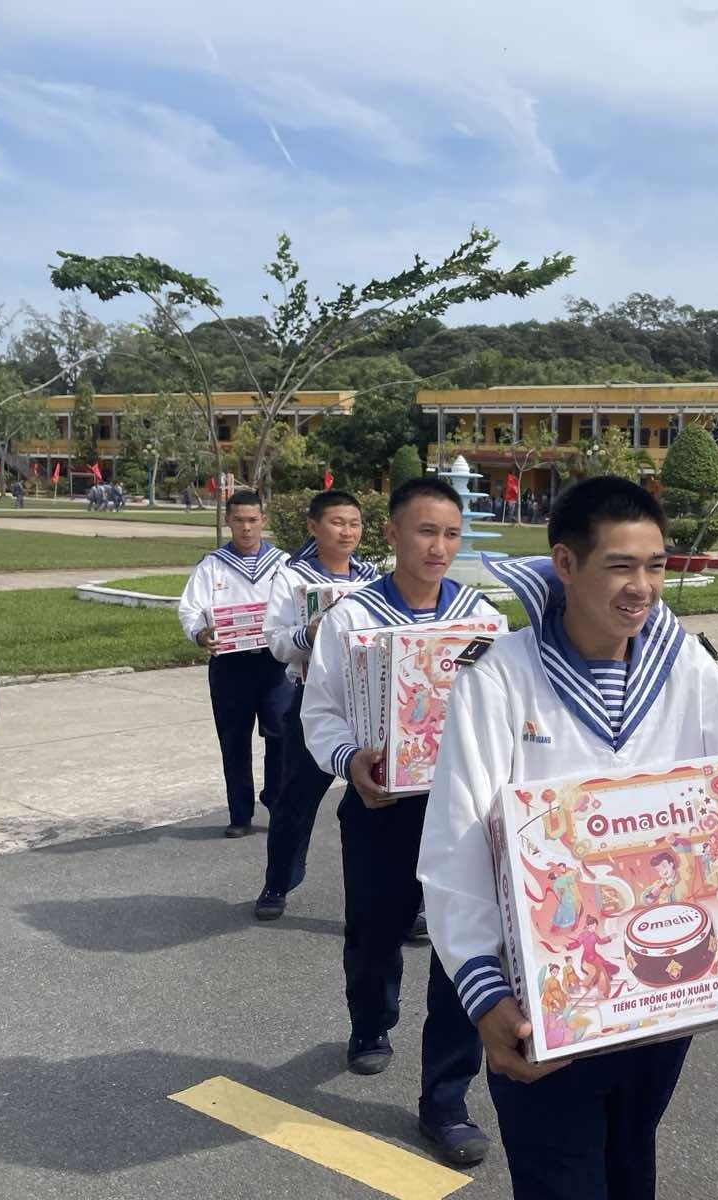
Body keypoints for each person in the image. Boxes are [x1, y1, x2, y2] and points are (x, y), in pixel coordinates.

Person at [419, 475, 718, 1200]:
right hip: (546, 1003)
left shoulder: (690, 672)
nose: (641, 587)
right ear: (565, 566)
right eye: (620, 566)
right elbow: (455, 848)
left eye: (656, 566)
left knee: (631, 1162)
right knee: (559, 1178)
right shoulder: (502, 678)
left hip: (663, 1001)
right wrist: (483, 996)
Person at [302, 477, 503, 1167]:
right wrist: (349, 757)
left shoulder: (484, 621)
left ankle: (446, 1100)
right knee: (374, 930)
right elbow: (320, 710)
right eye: (425, 532)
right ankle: (370, 1023)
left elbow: (507, 711)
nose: (439, 547)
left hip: (465, 814)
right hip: (381, 804)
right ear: (392, 534)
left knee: (464, 947)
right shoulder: (352, 619)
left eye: (450, 534)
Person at [255, 489, 380, 921]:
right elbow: (275, 641)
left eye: (354, 523)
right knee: (296, 797)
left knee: (382, 796)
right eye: (336, 522)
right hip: (312, 698)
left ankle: (398, 897)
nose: (347, 532)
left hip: (370, 702)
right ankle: (278, 881)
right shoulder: (292, 578)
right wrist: (309, 634)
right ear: (313, 527)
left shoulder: (373, 580)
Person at [177, 490, 294, 837]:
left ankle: (276, 801)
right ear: (228, 520)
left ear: (263, 521)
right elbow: (189, 608)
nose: (246, 528)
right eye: (239, 520)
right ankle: (240, 815)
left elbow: (297, 606)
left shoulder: (283, 564)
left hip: (275, 665)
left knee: (281, 736)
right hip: (230, 665)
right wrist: (200, 634)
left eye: (252, 520)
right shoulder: (211, 565)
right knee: (234, 739)